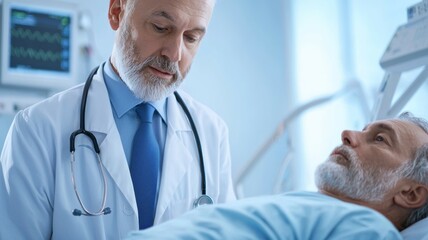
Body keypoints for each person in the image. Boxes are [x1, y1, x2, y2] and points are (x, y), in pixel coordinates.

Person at [0, 0, 236, 239]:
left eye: (191, 38)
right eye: (160, 27)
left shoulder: (211, 133)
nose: (174, 54)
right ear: (116, 12)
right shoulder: (36, 130)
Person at [125, 112, 428, 240]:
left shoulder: (369, 228)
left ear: (411, 193)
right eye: (362, 129)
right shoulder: (311, 207)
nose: (348, 134)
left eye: (379, 139)